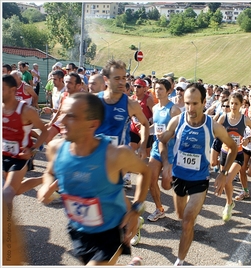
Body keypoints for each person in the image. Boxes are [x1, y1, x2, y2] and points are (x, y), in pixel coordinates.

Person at [37, 93, 151, 266]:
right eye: (63, 114)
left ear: (93, 124)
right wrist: (46, 185)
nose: (62, 121)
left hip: (113, 230)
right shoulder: (55, 148)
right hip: (78, 229)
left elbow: (145, 171)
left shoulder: (115, 155)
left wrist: (136, 209)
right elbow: (49, 172)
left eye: (72, 116)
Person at [159, 83, 238, 266]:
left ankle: (179, 260)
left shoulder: (214, 126)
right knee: (180, 216)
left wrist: (223, 172)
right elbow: (163, 142)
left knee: (187, 221)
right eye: (187, 103)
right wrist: (165, 164)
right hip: (178, 177)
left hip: (199, 179)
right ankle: (188, 227)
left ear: (204, 102)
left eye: (195, 103)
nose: (190, 108)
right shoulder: (177, 121)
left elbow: (233, 147)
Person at [3, 74, 48, 206]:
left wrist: (33, 150)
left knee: (6, 194)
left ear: (12, 90)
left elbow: (44, 131)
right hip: (3, 155)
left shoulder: (26, 111)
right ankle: (45, 178)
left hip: (20, 157)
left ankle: (7, 226)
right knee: (16, 191)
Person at [95, 60, 150, 158]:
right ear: (105, 79)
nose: (121, 82)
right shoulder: (94, 100)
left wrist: (142, 146)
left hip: (119, 160)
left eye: (124, 78)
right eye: (117, 78)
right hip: (97, 157)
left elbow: (145, 123)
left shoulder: (131, 104)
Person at [217, 92, 251, 221]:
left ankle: (228, 206)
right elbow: (214, 130)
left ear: (241, 105)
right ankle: (229, 203)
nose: (233, 106)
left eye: (236, 104)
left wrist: (248, 139)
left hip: (238, 155)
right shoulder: (224, 117)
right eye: (231, 103)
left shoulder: (245, 119)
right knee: (225, 182)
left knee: (228, 179)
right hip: (224, 153)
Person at [145, 79, 181, 224]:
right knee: (151, 181)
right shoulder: (154, 108)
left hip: (171, 152)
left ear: (168, 91)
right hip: (156, 149)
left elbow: (179, 132)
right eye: (156, 88)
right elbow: (156, 126)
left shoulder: (174, 110)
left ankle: (179, 187)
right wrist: (145, 130)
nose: (158, 91)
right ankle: (159, 209)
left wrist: (168, 134)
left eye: (161, 89)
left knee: (166, 185)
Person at [129, 78, 155, 157]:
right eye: (135, 86)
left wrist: (150, 125)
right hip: (134, 129)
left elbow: (155, 115)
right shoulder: (131, 99)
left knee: (146, 153)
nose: (136, 88)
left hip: (146, 129)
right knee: (130, 148)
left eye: (139, 86)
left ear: (144, 88)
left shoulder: (148, 100)